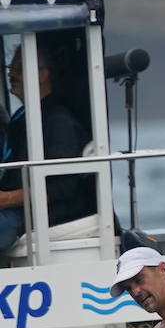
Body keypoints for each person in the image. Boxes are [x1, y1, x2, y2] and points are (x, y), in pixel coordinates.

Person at [0, 46, 97, 249]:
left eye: (18, 68)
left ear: (43, 75)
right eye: (11, 67)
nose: (11, 73)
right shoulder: (22, 119)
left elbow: (61, 188)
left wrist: (6, 199)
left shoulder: (57, 121)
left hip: (40, 214)